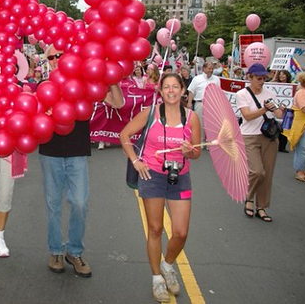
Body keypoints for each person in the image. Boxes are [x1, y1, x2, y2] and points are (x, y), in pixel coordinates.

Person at [41, 49, 124, 278]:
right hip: (50, 152)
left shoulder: (85, 84)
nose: (56, 60)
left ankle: (74, 251)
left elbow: (118, 103)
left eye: (59, 55)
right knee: (53, 205)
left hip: (77, 152)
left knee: (80, 203)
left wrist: (111, 77)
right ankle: (56, 251)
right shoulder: (42, 86)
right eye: (51, 57)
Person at [119, 72, 201, 302]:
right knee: (155, 229)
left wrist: (189, 152)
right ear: (161, 91)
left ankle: (167, 264)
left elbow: (197, 153)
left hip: (180, 178)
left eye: (175, 86)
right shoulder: (150, 113)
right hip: (152, 176)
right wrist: (136, 161)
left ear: (183, 90)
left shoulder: (192, 117)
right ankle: (156, 277)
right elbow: (124, 135)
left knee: (181, 232)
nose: (171, 91)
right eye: (167, 87)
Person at [236, 63, 285, 223]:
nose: (262, 81)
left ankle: (261, 207)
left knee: (267, 174)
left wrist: (279, 110)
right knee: (257, 171)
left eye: (264, 78)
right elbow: (247, 116)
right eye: (258, 78)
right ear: (249, 77)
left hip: (269, 137)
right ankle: (249, 197)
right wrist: (264, 109)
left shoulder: (270, 93)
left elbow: (279, 115)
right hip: (249, 136)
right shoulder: (242, 94)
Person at [186, 61, 221, 136]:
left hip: (212, 105)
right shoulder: (197, 79)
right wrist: (189, 103)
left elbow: (218, 92)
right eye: (209, 68)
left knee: (211, 125)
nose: (211, 70)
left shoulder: (216, 79)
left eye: (212, 69)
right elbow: (191, 91)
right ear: (204, 69)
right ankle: (200, 141)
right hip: (200, 104)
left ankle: (210, 142)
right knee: (199, 124)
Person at [288, 72, 305, 182]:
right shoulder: (302, 93)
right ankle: (300, 171)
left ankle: (303, 170)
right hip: (303, 126)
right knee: (304, 149)